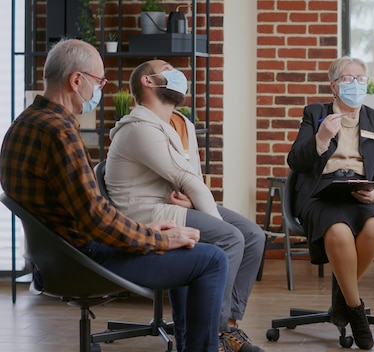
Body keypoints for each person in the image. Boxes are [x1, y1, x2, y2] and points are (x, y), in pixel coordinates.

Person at [0, 38, 228, 352]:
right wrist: (160, 239)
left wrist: (147, 230)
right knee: (211, 259)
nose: (100, 90)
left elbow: (89, 211)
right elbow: (95, 219)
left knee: (188, 247)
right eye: (99, 82)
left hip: (52, 262)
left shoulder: (22, 124)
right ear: (76, 80)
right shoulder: (59, 132)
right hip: (82, 259)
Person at [104, 59, 266, 352]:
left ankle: (228, 326)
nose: (177, 74)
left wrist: (195, 201)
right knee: (231, 237)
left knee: (254, 237)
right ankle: (214, 336)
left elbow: (193, 179)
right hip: (146, 213)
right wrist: (215, 219)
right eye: (167, 69)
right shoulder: (139, 128)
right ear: (148, 82)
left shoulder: (181, 124)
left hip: (176, 204)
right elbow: (185, 177)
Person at [287, 56, 374, 350]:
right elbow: (296, 161)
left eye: (360, 80)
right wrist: (321, 139)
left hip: (362, 192)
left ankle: (342, 302)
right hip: (321, 192)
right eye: (348, 80)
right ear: (334, 87)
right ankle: (356, 310)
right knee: (338, 231)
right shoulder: (316, 114)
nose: (355, 85)